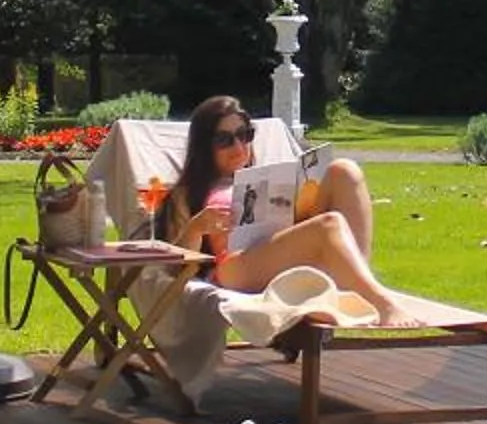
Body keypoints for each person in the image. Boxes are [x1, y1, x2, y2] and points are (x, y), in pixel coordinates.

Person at [154, 95, 404, 323]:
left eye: (245, 135)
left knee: (344, 170)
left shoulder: (262, 178)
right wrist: (197, 227)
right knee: (330, 224)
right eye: (224, 140)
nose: (239, 147)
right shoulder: (187, 192)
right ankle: (382, 302)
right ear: (204, 146)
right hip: (233, 267)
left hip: (281, 251)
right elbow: (174, 266)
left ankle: (358, 284)